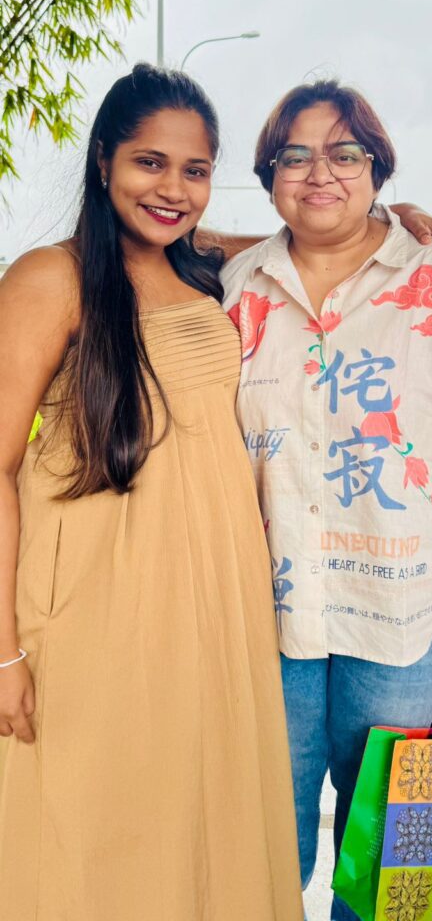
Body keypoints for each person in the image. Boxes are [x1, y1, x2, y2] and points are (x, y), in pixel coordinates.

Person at [221, 79, 432, 920]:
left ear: (377, 168)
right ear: (269, 174)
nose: (319, 172)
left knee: (391, 842)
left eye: (344, 153)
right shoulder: (241, 287)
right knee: (262, 827)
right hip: (266, 611)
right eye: (295, 156)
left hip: (403, 614)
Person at [0, 64, 305, 920]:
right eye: (149, 163)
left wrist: (392, 217)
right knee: (93, 818)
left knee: (197, 815)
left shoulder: (201, 270)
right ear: (103, 160)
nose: (173, 189)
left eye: (195, 171)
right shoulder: (50, 278)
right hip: (97, 600)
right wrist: (2, 653)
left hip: (214, 599)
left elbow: (273, 241)